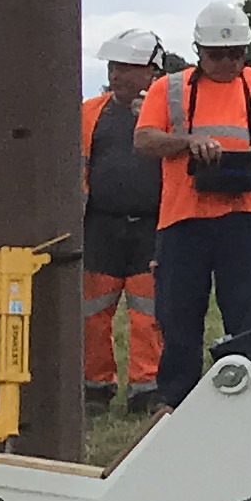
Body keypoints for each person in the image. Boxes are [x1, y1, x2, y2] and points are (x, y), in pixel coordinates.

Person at [134, 0, 251, 411]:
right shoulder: (170, 89)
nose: (228, 62)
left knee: (249, 316)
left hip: (247, 219)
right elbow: (143, 141)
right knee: (179, 317)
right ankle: (175, 403)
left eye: (237, 54)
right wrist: (188, 143)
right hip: (183, 221)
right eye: (218, 55)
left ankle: (248, 400)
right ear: (199, 52)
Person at [76, 28, 169, 410]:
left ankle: (146, 388)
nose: (117, 74)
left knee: (148, 314)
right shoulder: (90, 112)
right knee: (93, 313)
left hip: (152, 226)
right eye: (114, 66)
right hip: (100, 226)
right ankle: (94, 386)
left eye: (128, 67)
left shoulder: (168, 113)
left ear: (151, 72)